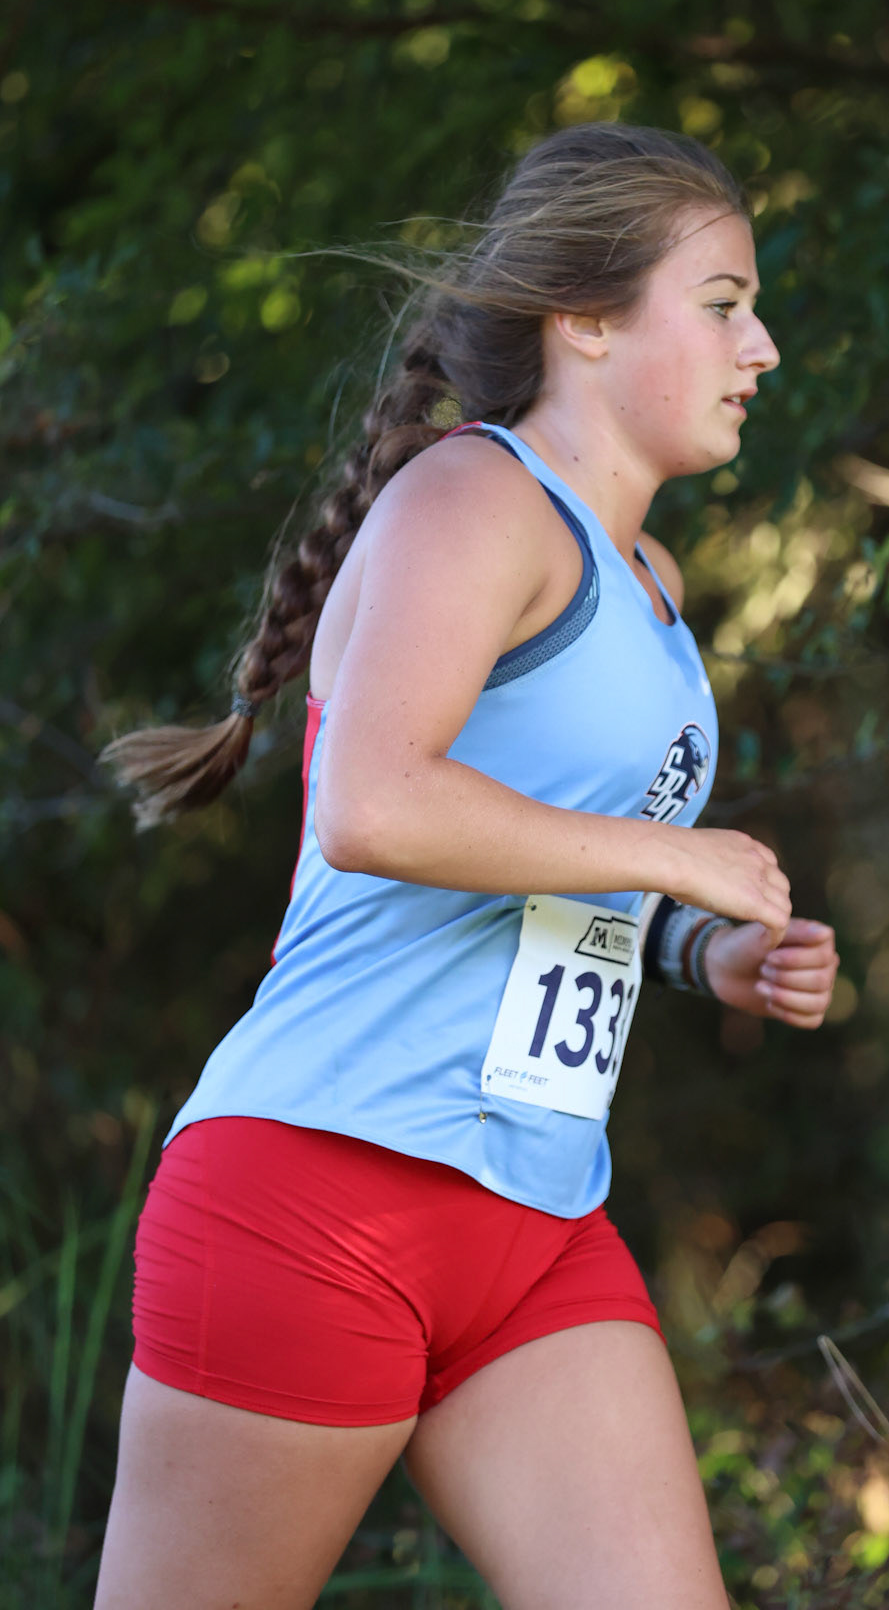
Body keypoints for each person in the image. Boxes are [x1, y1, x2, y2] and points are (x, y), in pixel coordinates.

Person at [94, 122, 840, 1610]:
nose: (762, 346)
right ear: (583, 319)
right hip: (318, 1192)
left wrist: (704, 948)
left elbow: (550, 872)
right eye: (722, 303)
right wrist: (673, 854)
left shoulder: (651, 582)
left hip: (532, 1225)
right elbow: (374, 806)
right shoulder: (471, 499)